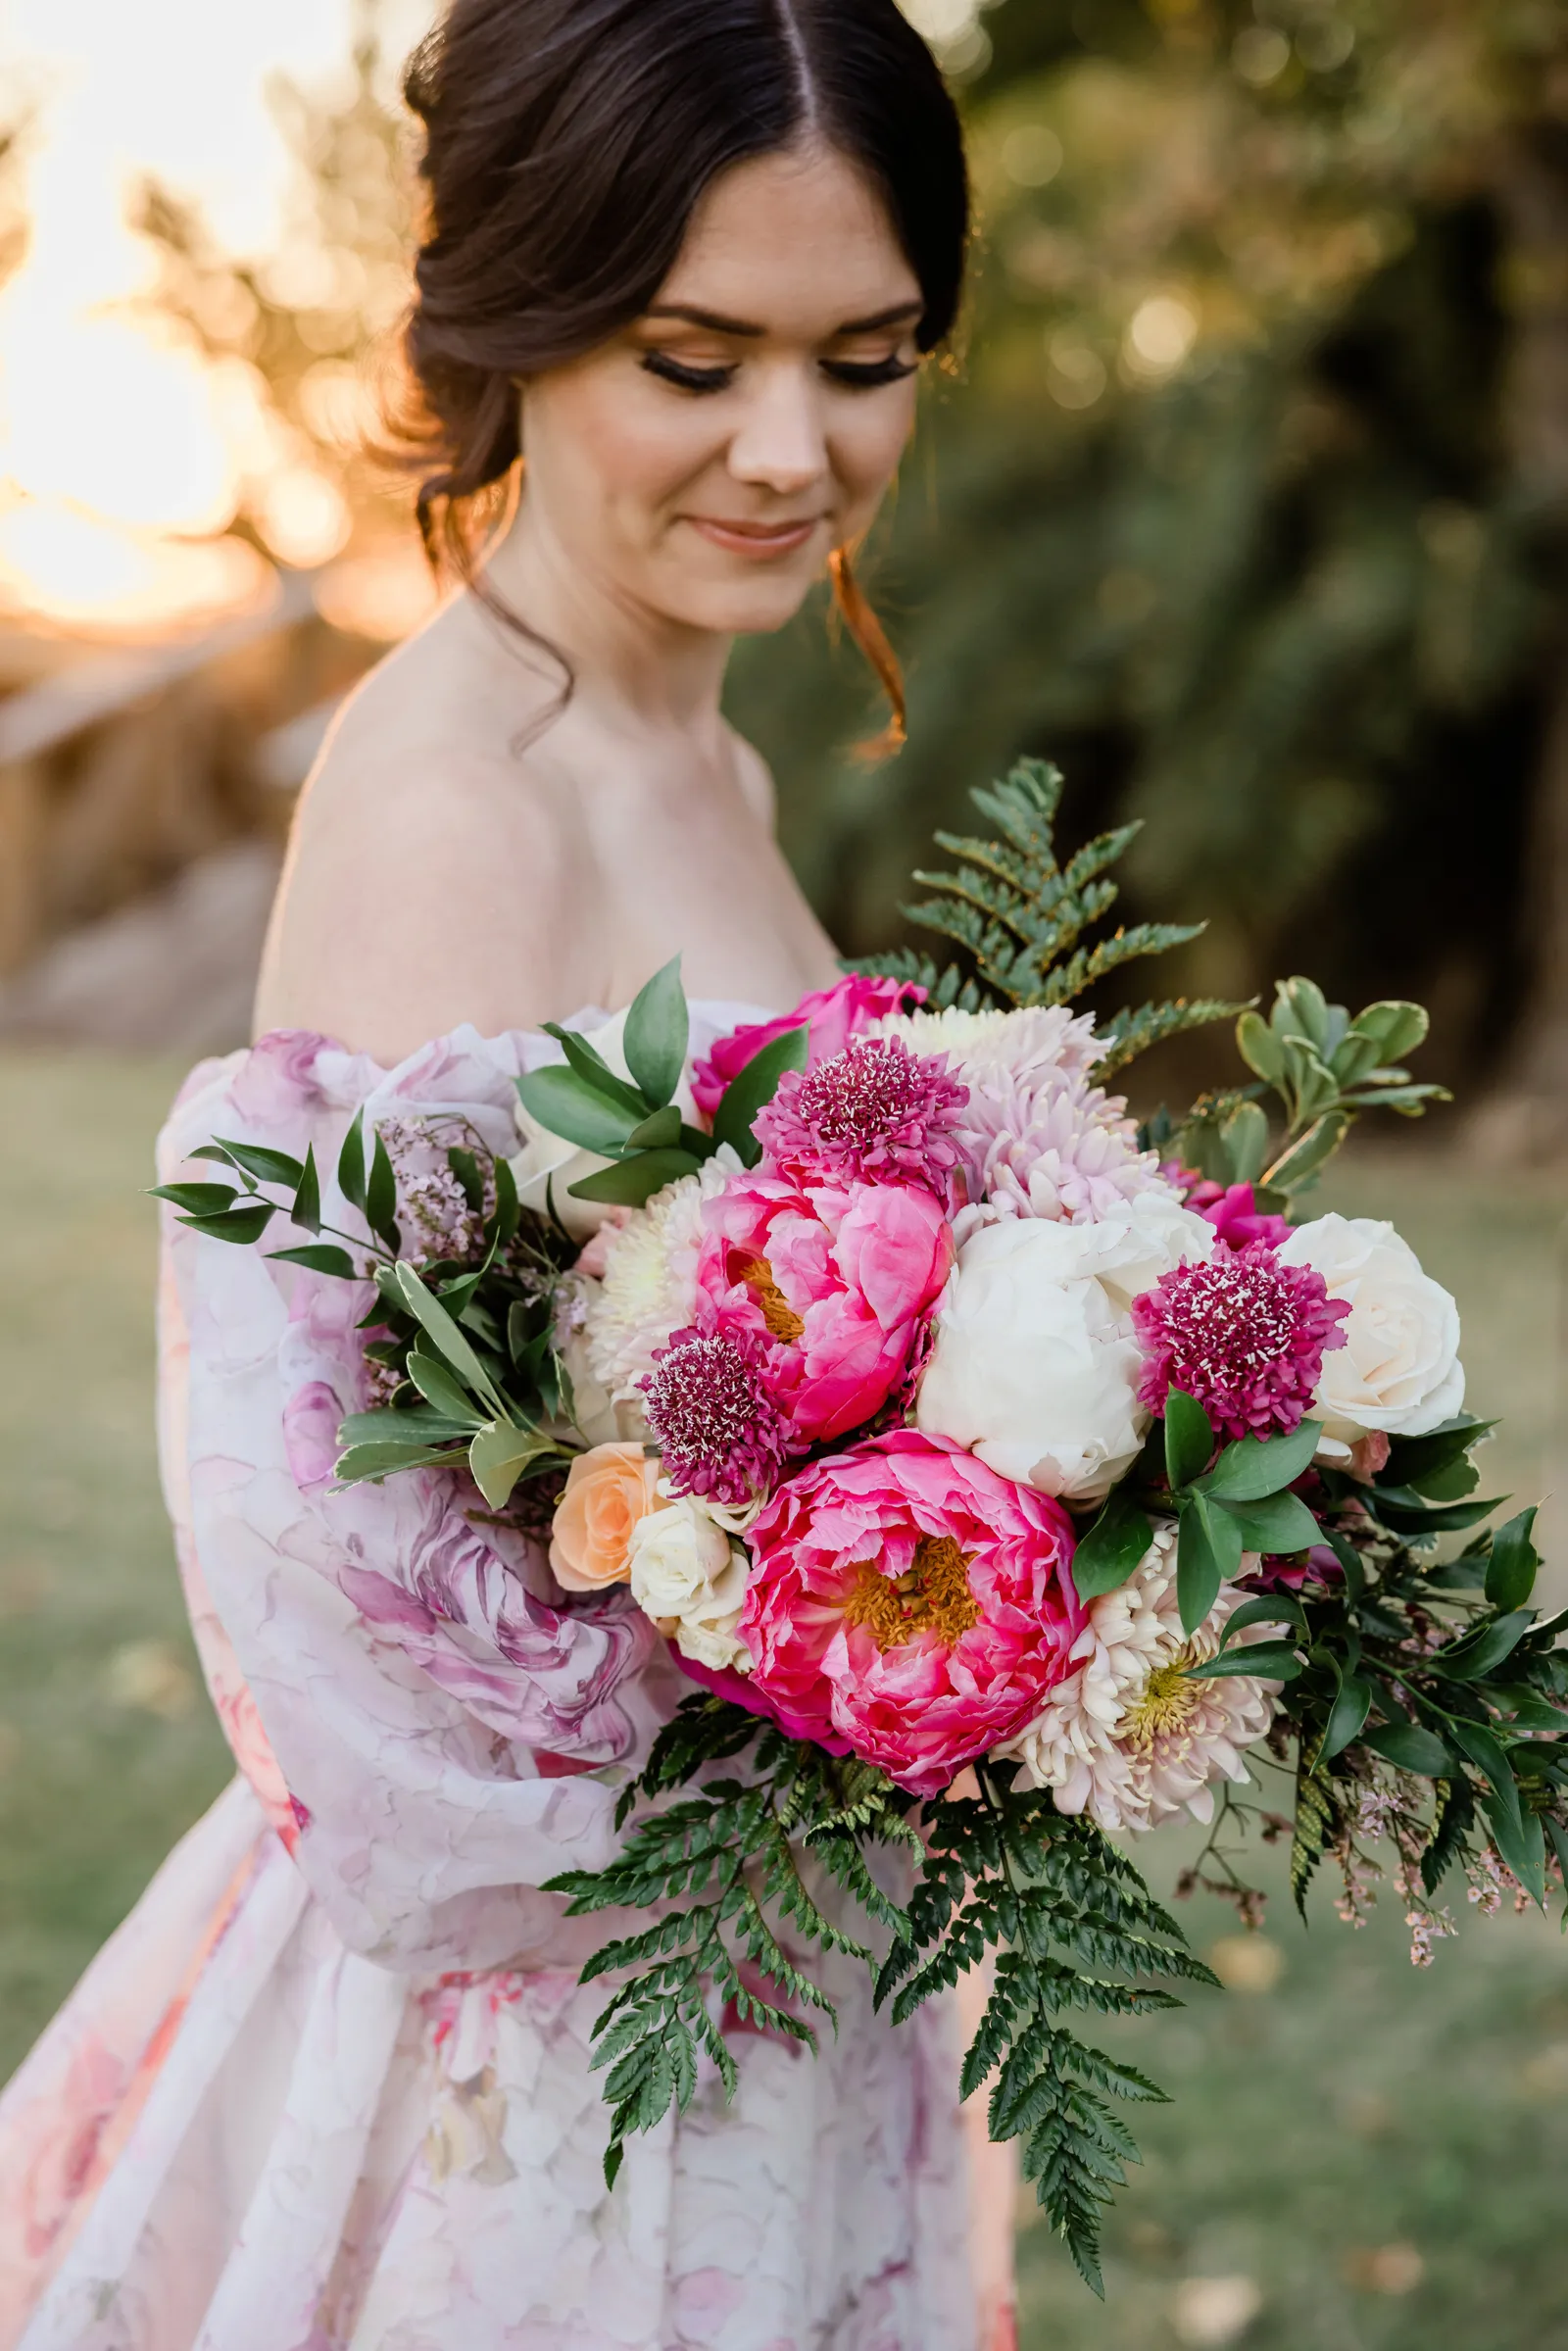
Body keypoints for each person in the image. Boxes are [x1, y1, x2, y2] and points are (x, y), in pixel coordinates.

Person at [0, 4, 1015, 2344]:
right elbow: (354, 1591)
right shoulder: (459, 801)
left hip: (779, 1946)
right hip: (565, 2045)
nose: (794, 449)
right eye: (693, 360)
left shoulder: (708, 764)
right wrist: (871, 1643)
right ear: (516, 321)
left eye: (865, 358)